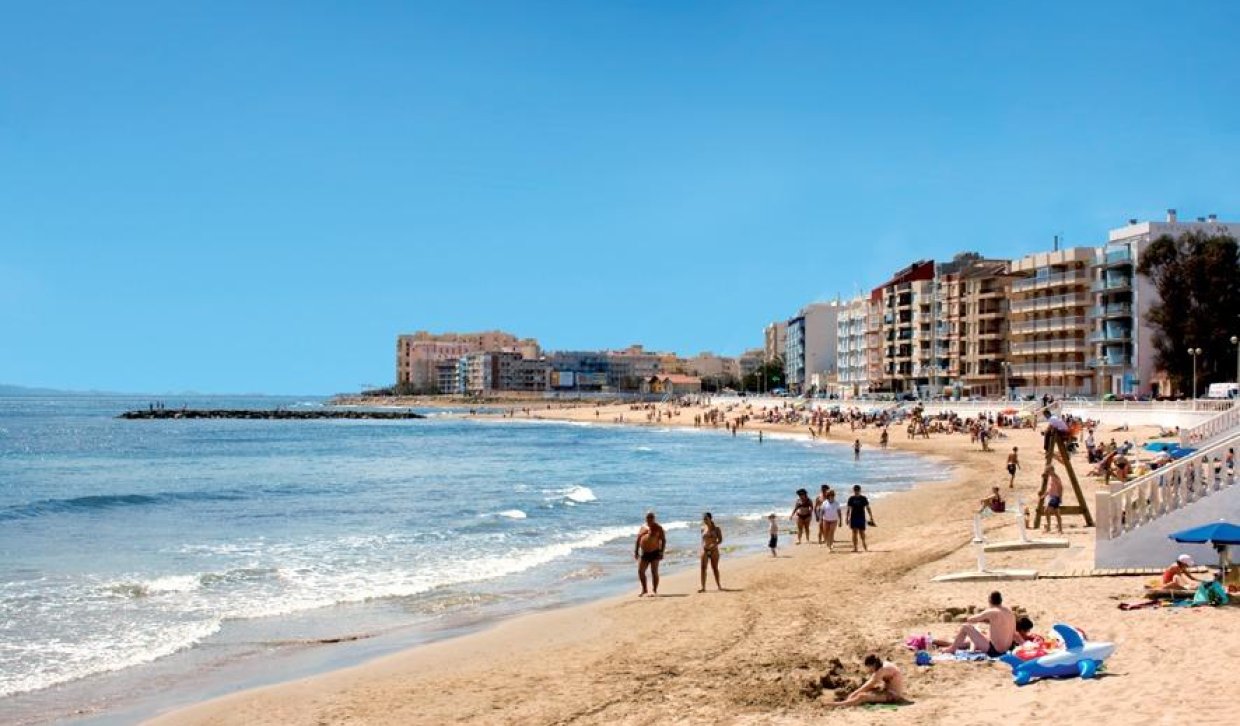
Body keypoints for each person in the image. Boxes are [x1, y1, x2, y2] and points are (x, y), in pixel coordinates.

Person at [949, 591, 1016, 657]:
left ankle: (951, 649)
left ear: (989, 600)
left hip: (995, 651)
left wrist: (982, 617)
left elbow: (971, 620)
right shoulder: (1009, 612)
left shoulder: (992, 611)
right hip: (1008, 649)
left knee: (965, 627)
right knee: (986, 635)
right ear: (1001, 600)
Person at [825, 654, 904, 708]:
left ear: (873, 665)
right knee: (868, 691)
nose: (869, 669)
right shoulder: (883, 665)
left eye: (869, 667)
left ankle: (838, 704)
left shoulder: (881, 671)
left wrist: (853, 694)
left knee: (862, 697)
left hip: (893, 695)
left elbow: (867, 686)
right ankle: (847, 701)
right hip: (888, 690)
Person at [634, 511, 666, 597]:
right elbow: (638, 540)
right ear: (646, 518)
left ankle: (654, 590)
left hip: (655, 552)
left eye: (651, 517)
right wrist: (636, 551)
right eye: (648, 517)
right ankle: (644, 589)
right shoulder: (643, 527)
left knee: (654, 571)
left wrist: (662, 552)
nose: (649, 519)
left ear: (654, 518)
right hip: (644, 553)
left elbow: (663, 540)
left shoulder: (658, 527)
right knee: (641, 571)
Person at [698, 512, 723, 592]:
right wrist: (702, 547)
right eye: (704, 519)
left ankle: (719, 586)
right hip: (705, 550)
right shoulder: (702, 528)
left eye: (706, 518)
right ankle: (703, 587)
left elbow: (720, 540)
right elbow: (702, 540)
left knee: (714, 568)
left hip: (714, 550)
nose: (705, 520)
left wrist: (715, 544)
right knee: (703, 568)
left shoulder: (716, 528)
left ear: (710, 518)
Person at [845, 484, 873, 553]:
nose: (856, 491)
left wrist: (871, 516)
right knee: (854, 533)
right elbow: (848, 509)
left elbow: (868, 508)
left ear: (860, 490)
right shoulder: (851, 499)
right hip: (853, 517)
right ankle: (855, 548)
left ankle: (864, 543)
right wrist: (847, 518)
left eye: (857, 490)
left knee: (862, 532)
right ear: (853, 490)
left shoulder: (863, 498)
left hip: (861, 517)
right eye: (855, 490)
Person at [1042, 465, 1064, 534]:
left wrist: (1060, 497)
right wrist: (1045, 495)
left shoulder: (1055, 477)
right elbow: (1049, 488)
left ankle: (1049, 528)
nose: (1047, 472)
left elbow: (1060, 487)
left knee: (1048, 511)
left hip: (1055, 497)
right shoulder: (1051, 477)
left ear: (1052, 470)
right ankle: (1059, 529)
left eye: (1048, 471)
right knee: (1056, 513)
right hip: (1051, 496)